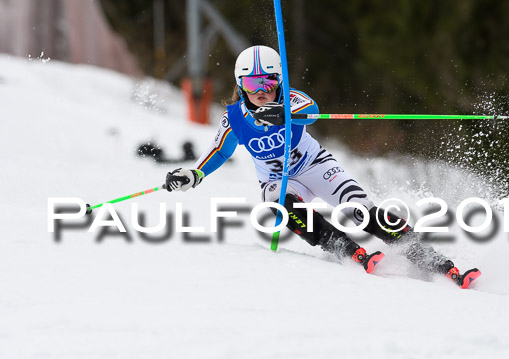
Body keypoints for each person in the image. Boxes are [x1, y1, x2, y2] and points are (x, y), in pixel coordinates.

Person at [165, 45, 480, 288]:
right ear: (240, 84)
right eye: (251, 83)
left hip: (315, 166)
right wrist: (194, 174)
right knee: (279, 206)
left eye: (268, 81)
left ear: (279, 81)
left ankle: (437, 262)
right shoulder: (233, 119)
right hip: (280, 180)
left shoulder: (290, 99)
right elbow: (218, 151)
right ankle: (347, 249)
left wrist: (281, 113)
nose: (260, 90)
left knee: (361, 211)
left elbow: (311, 110)